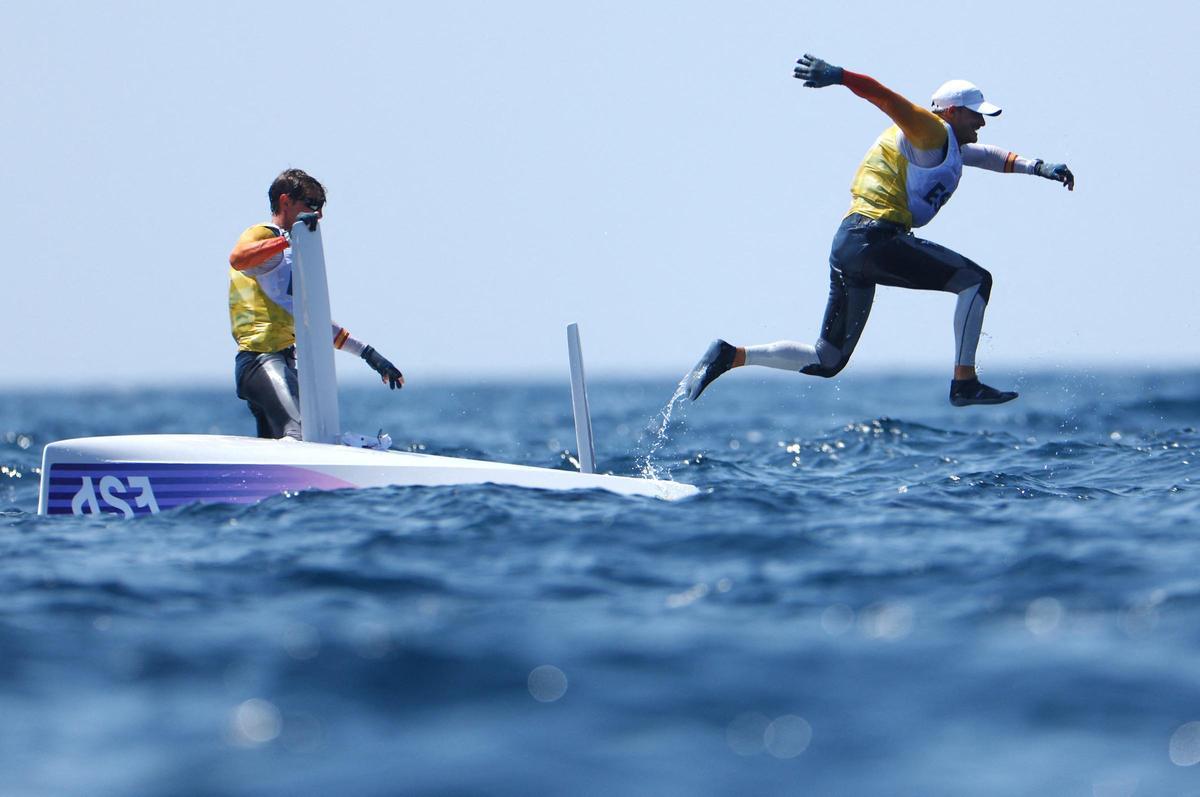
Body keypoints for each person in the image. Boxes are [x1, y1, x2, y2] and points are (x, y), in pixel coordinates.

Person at [687, 54, 1074, 406]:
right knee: (976, 281)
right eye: (977, 115)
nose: (982, 123)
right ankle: (964, 382)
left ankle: (731, 355)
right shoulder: (930, 129)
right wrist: (839, 76)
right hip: (874, 238)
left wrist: (1038, 167)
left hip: (850, 243)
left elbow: (989, 156)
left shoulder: (945, 144)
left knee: (827, 359)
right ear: (953, 112)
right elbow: (884, 97)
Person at [229, 168, 405, 439]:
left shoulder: (291, 254)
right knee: (302, 434)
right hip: (259, 363)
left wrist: (370, 356)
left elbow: (314, 322)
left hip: (283, 365)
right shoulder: (263, 235)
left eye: (321, 207)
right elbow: (238, 259)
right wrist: (288, 239)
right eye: (311, 205)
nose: (318, 214)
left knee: (288, 441)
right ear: (285, 201)